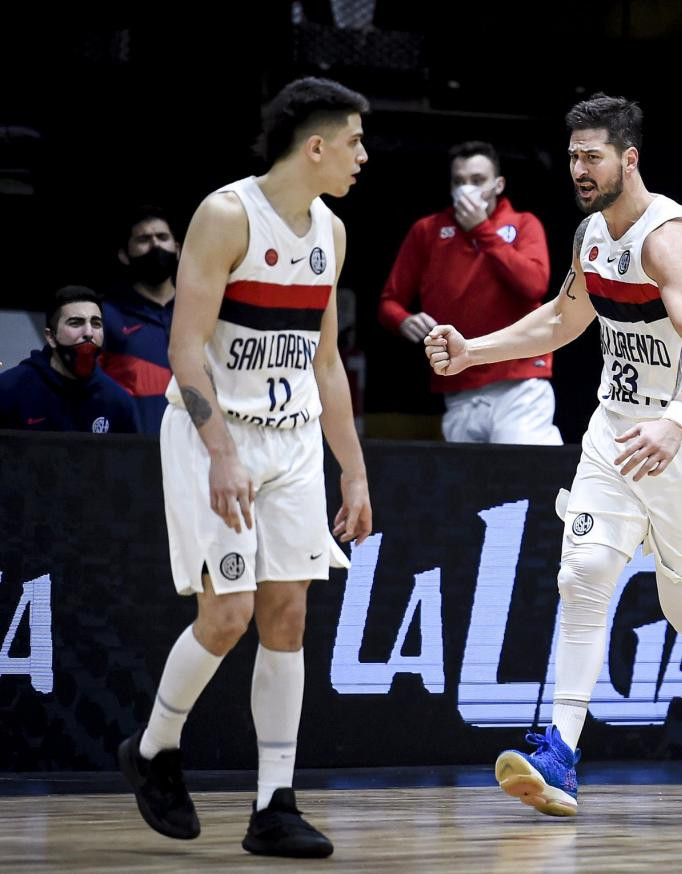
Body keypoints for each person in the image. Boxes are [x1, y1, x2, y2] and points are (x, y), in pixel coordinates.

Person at [425, 94, 682, 818]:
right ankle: (561, 753)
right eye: (573, 155)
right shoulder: (589, 235)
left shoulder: (668, 236)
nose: (579, 168)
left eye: (593, 156)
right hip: (614, 431)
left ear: (628, 158)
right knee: (582, 574)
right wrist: (472, 350)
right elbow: (561, 317)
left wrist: (675, 418)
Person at [117, 77, 373, 859]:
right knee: (227, 614)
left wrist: (354, 473)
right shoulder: (227, 214)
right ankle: (155, 747)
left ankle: (274, 804)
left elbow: (326, 361)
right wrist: (221, 454)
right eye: (356, 142)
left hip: (292, 442)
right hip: (214, 434)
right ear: (317, 146)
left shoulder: (330, 232)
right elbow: (183, 349)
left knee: (287, 614)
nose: (365, 157)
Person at [378, 140, 559, 444]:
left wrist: (482, 230)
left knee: (525, 479)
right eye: (459, 181)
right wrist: (403, 321)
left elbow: (534, 284)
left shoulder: (524, 224)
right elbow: (389, 303)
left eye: (477, 181)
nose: (467, 189)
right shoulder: (428, 231)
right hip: (458, 387)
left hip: (519, 383)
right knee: (469, 486)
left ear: (498, 184)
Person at [0, 285, 140, 433]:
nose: (89, 332)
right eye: (76, 323)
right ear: (51, 337)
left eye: (96, 324)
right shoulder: (9, 391)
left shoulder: (117, 402)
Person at [100, 206, 181, 434]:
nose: (155, 245)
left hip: (199, 455)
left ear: (177, 249)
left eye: (162, 237)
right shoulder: (106, 316)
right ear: (124, 255)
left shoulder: (202, 311)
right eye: (144, 239)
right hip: (133, 454)